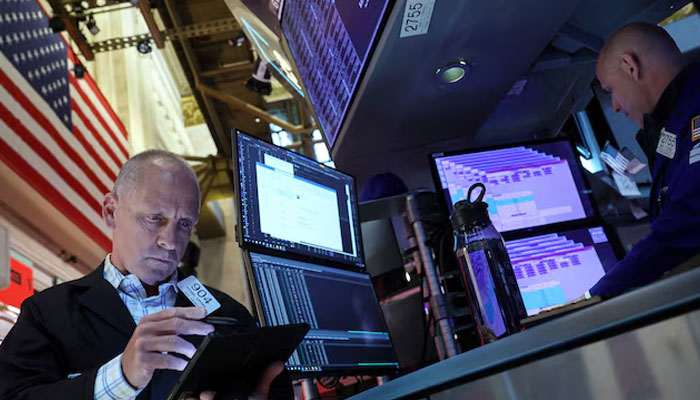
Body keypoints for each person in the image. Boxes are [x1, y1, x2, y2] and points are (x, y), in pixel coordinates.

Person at [0, 150, 292, 399]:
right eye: (156, 218)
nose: (172, 242)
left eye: (185, 224)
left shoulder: (232, 316)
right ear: (111, 212)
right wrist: (119, 377)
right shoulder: (47, 313)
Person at [589, 22, 700, 296]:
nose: (614, 105)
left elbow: (686, 222)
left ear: (630, 66)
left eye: (609, 89)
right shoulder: (675, 124)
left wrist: (594, 301)